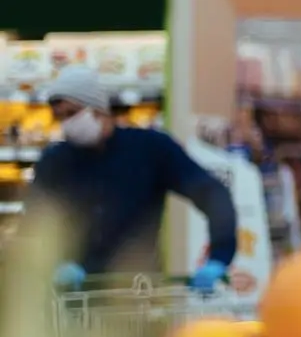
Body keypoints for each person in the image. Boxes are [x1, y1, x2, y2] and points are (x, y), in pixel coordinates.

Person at [26, 66, 238, 291]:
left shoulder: (150, 149)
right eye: (60, 117)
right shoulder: (54, 162)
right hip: (76, 298)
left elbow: (212, 194)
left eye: (72, 113)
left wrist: (218, 257)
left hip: (137, 294)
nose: (66, 124)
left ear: (99, 109)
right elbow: (34, 224)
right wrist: (54, 265)